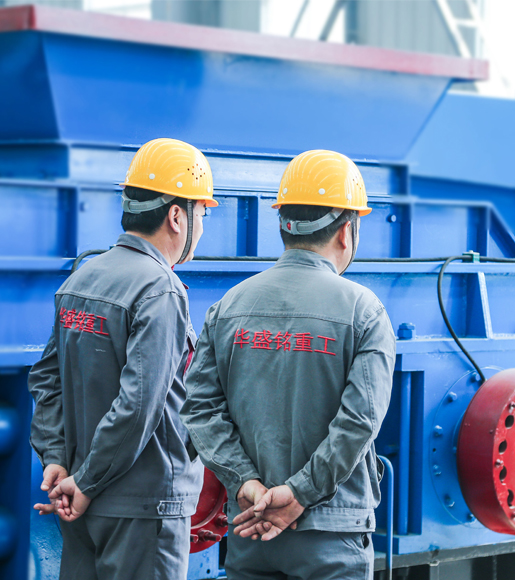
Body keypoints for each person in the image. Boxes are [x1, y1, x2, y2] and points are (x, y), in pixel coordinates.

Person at [181, 149, 395, 580]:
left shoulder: (229, 306)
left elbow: (199, 409)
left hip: (252, 531)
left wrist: (244, 482)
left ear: (283, 225)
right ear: (347, 231)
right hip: (332, 534)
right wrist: (299, 493)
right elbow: (359, 421)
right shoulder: (364, 311)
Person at [28, 138, 215, 580]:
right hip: (143, 509)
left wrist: (57, 460)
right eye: (202, 212)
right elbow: (138, 405)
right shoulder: (160, 289)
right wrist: (86, 481)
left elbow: (46, 380)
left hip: (80, 500)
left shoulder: (84, 277)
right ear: (177, 216)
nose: (202, 225)